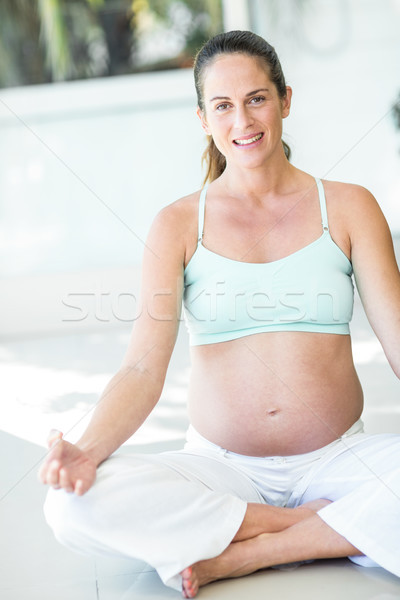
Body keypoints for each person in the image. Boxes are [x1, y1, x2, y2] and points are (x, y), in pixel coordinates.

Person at [39, 30, 400, 599]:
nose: (243, 121)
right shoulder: (178, 225)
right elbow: (140, 371)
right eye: (223, 106)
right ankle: (315, 526)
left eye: (257, 98)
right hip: (223, 470)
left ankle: (256, 551)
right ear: (203, 118)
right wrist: (87, 451)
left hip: (339, 459)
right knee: (69, 507)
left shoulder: (350, 206)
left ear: (285, 99)